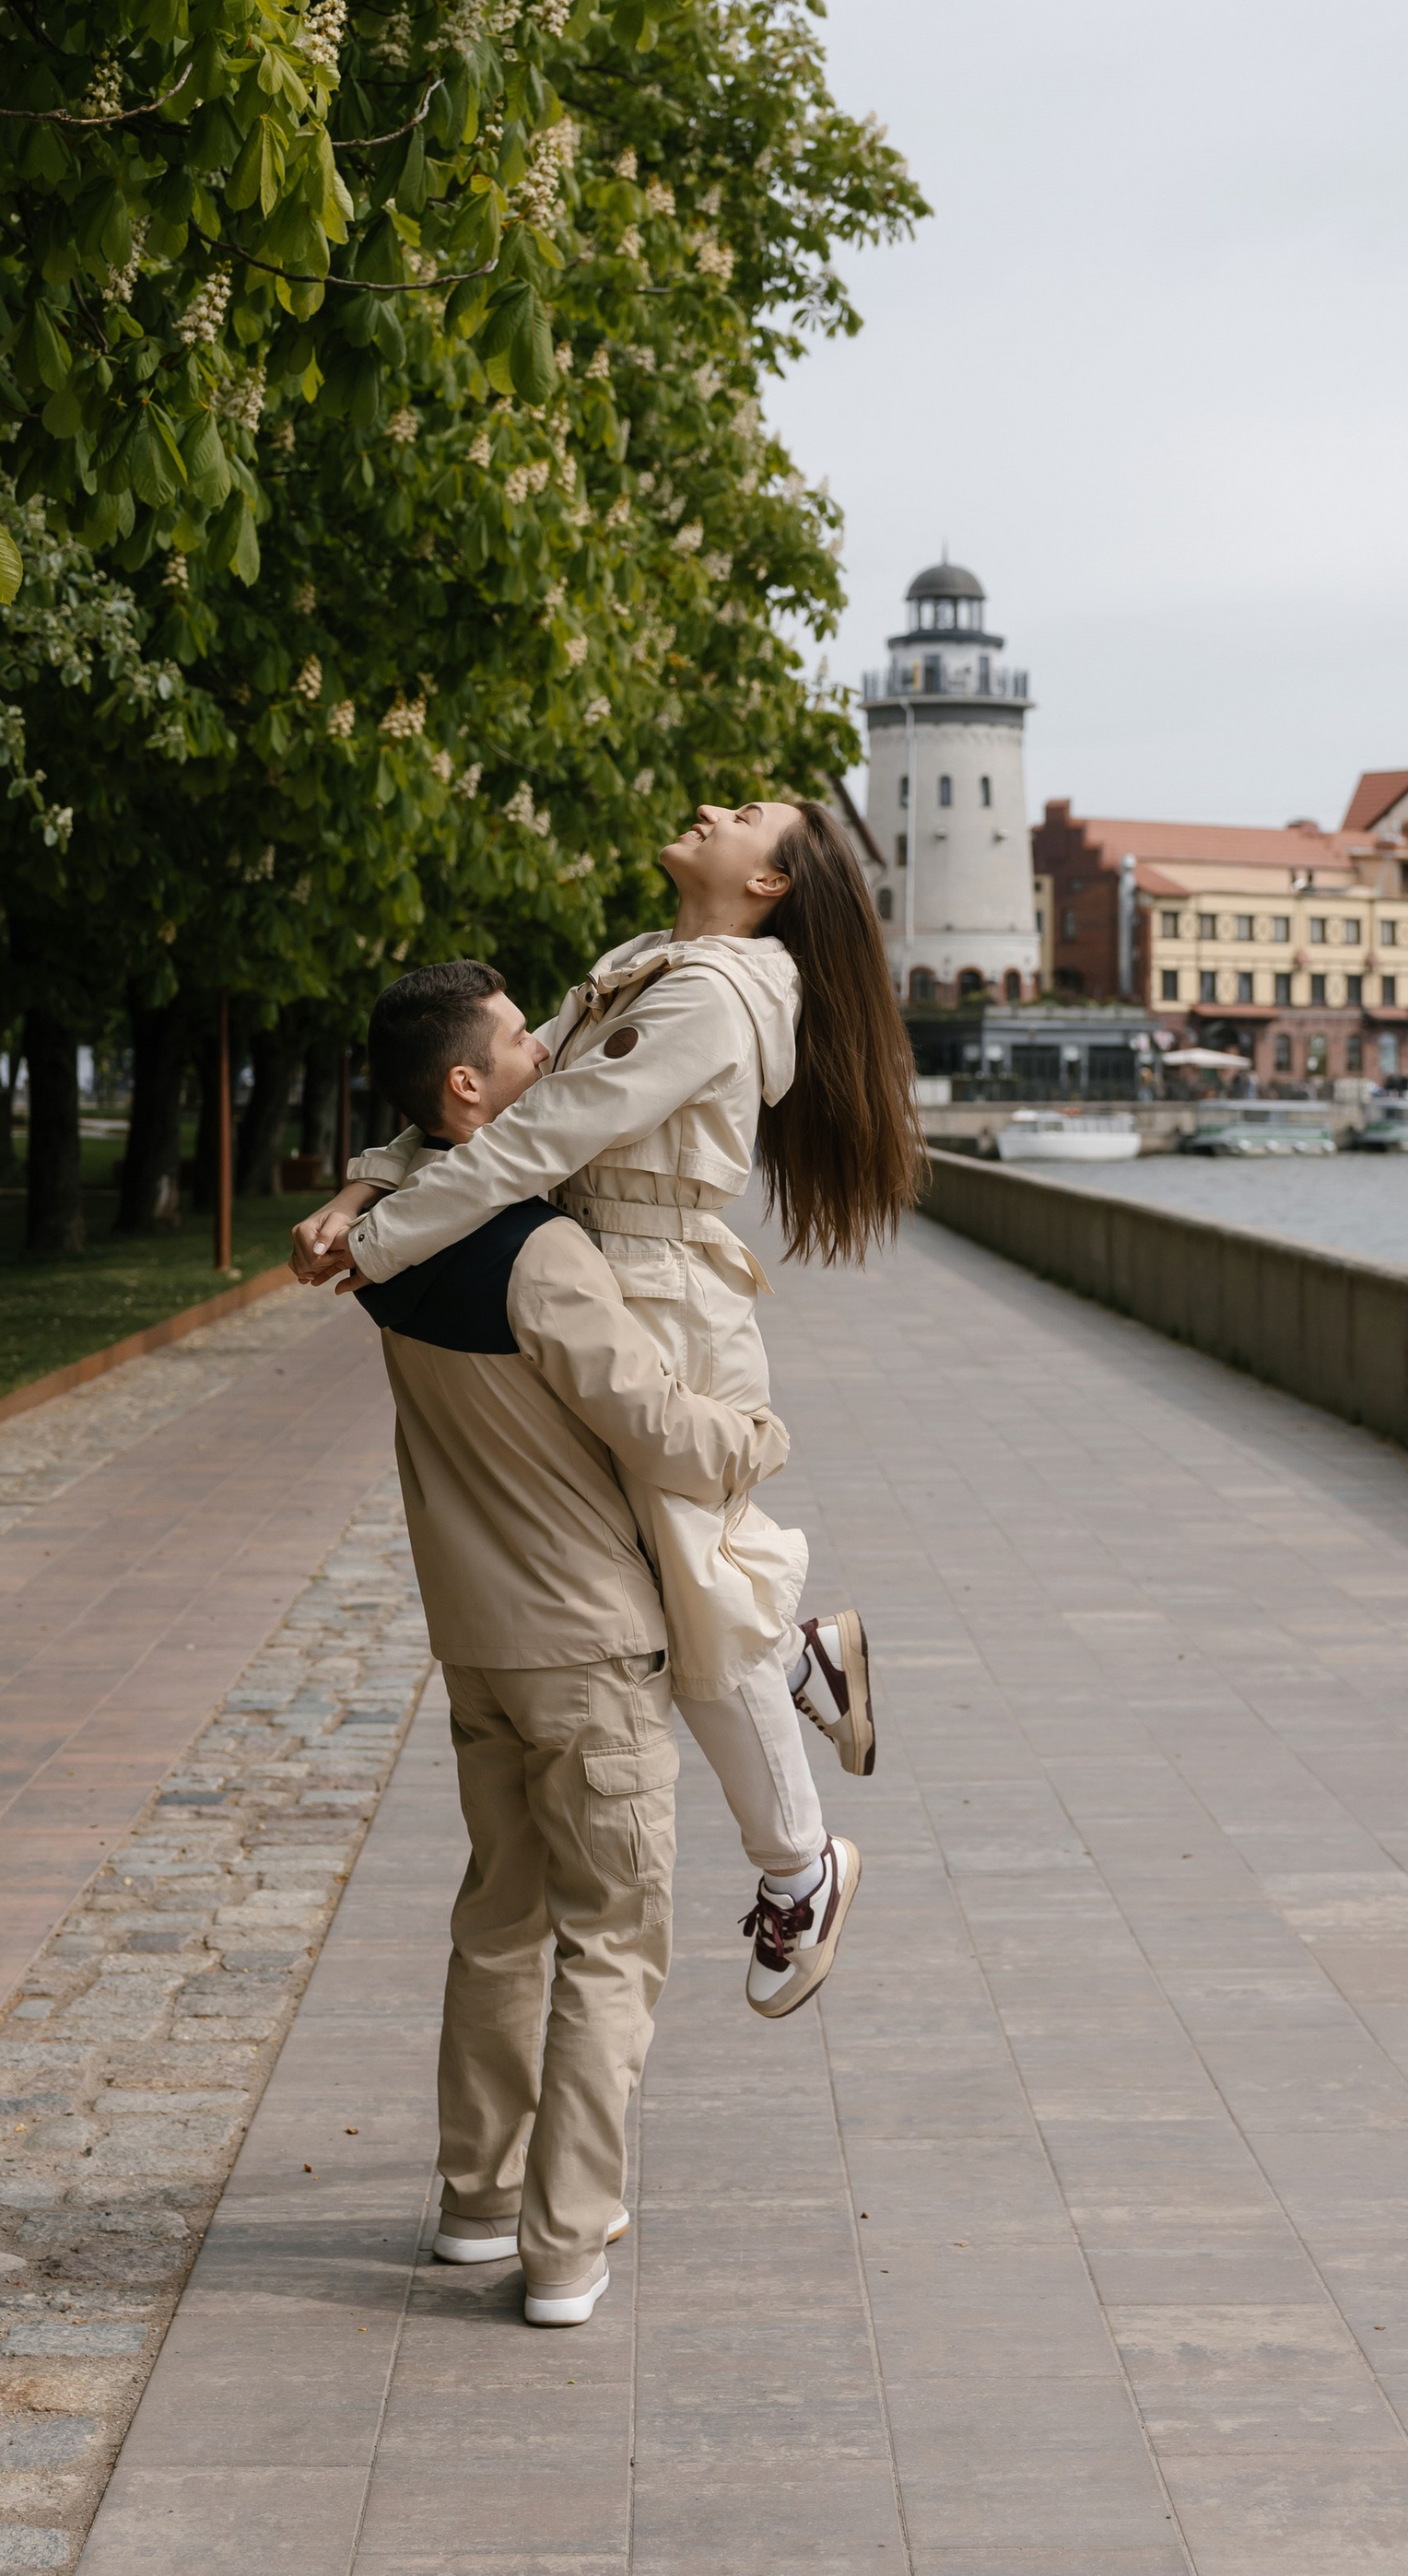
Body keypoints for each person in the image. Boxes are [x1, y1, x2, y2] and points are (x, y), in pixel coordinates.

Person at [296, 799, 922, 2009]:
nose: (709, 809)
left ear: (772, 886)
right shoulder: (650, 960)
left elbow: (542, 1138)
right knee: (678, 1597)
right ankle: (806, 1664)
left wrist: (378, 1240)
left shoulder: (710, 999)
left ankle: (802, 1869)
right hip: (613, 1295)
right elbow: (515, 1098)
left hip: (673, 1322)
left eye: (745, 816)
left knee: (697, 1623)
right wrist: (375, 1175)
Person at [353, 960, 806, 2327]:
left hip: (478, 1647)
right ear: (465, 1088)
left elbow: (385, 1182)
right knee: (613, 1939)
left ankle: (477, 2206)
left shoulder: (394, 1236)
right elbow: (656, 1422)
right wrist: (761, 1439)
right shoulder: (541, 1256)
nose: (544, 1061)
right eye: (516, 1046)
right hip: (588, 1651)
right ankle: (565, 2248)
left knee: (500, 1921)